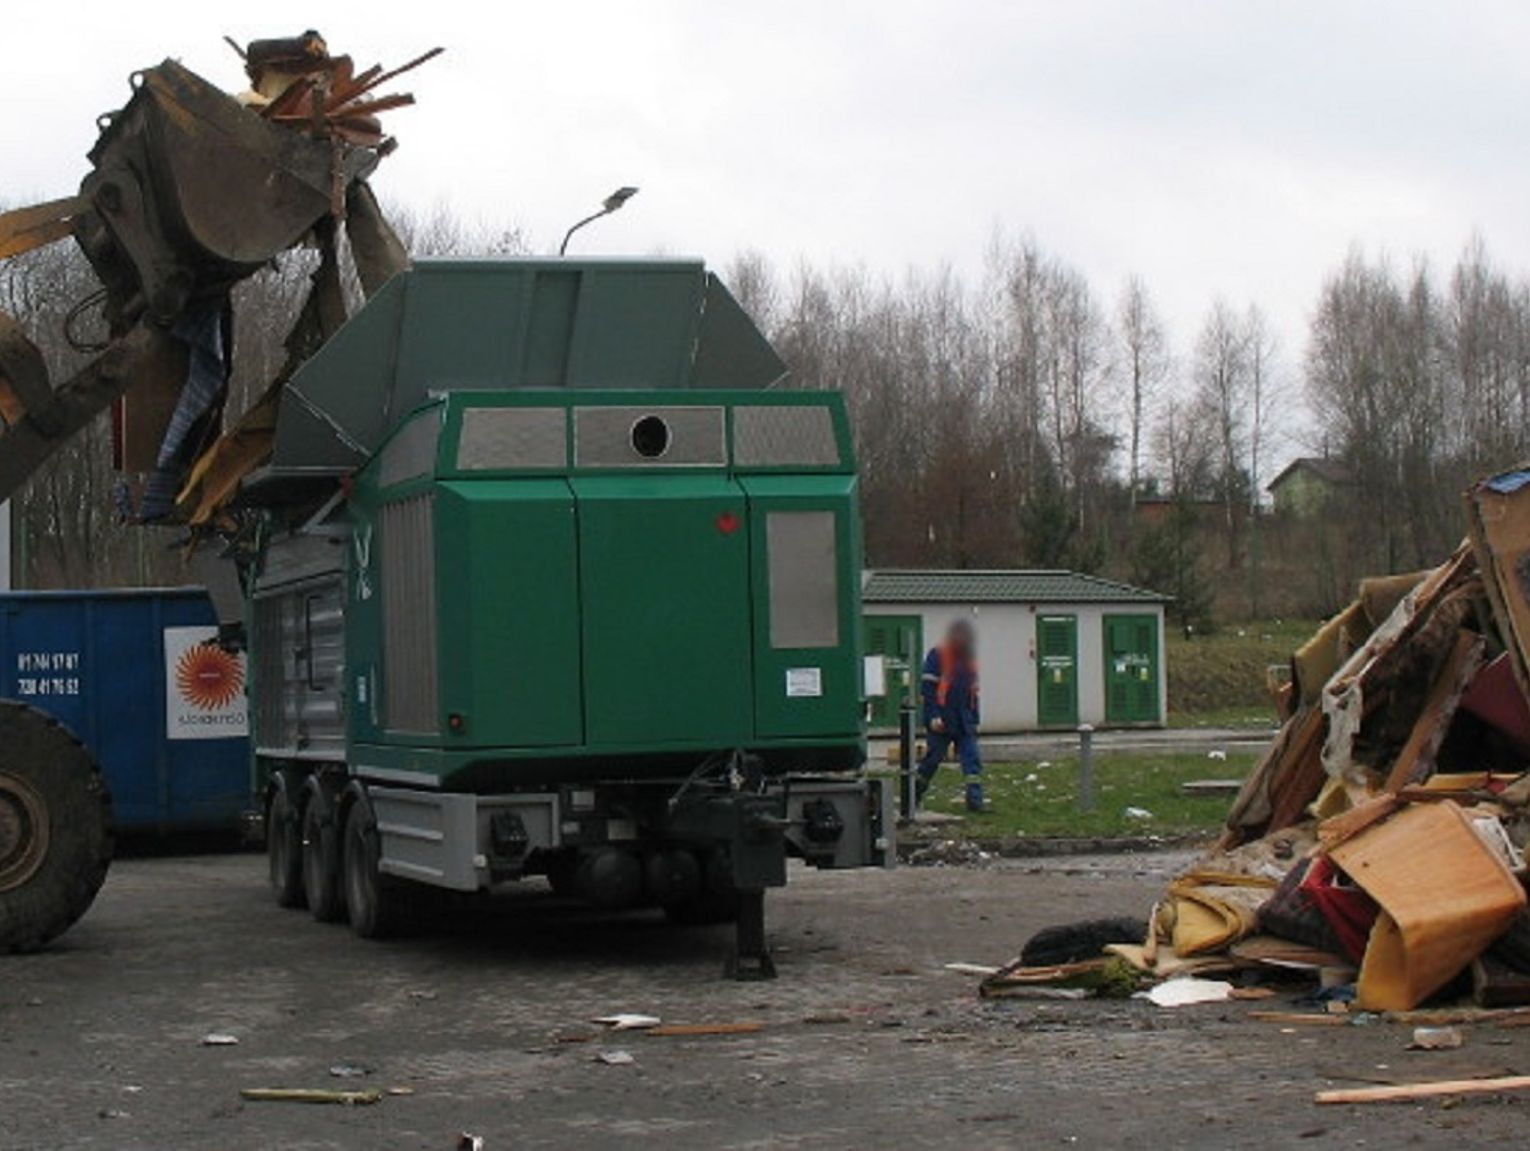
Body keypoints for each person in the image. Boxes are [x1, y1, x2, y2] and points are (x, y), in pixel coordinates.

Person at [915, 619, 984, 812]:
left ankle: (975, 801)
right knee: (932, 760)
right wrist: (933, 716)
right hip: (942, 719)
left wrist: (974, 718)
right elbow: (928, 690)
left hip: (964, 720)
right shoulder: (937, 655)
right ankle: (914, 796)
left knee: (972, 761)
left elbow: (973, 691)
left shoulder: (969, 658)